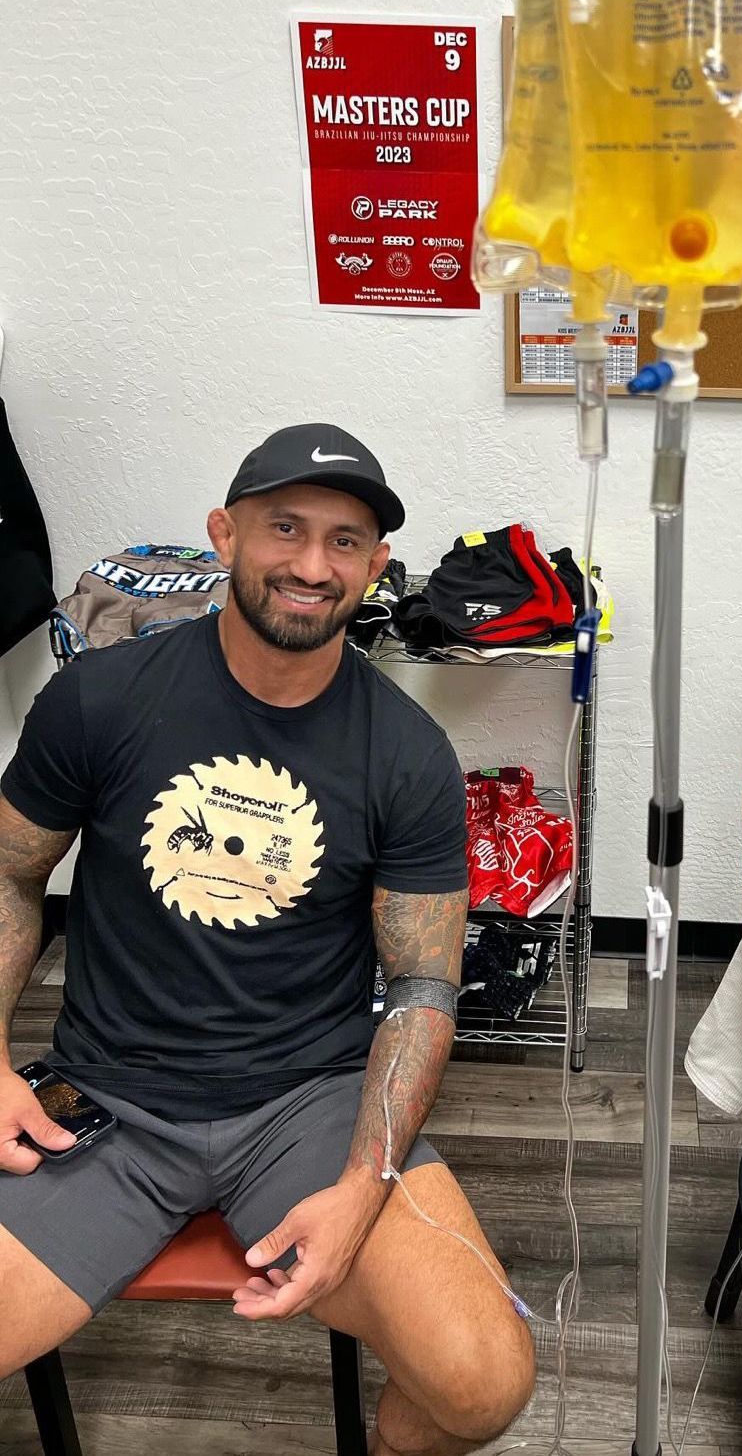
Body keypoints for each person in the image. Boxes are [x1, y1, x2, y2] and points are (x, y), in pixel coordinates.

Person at [0, 424, 535, 1456]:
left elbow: (425, 980)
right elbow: (11, 875)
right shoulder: (100, 701)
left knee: (483, 1385)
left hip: (309, 1107)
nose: (309, 563)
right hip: (107, 1107)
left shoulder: (407, 753)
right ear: (226, 535)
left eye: (344, 541)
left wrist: (363, 1183)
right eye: (283, 528)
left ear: (376, 568)